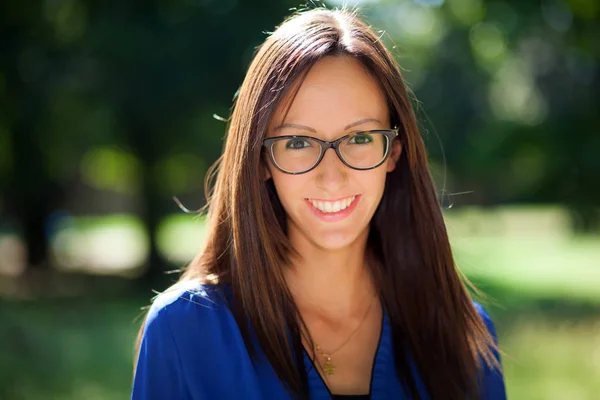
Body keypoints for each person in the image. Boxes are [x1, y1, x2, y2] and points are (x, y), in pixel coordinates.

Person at [131, 7, 507, 400]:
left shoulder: (463, 338)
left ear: (395, 151)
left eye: (359, 138)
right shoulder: (183, 332)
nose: (331, 177)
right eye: (297, 142)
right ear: (261, 161)